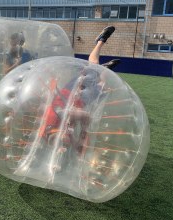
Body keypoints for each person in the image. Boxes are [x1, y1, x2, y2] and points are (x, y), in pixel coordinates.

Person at [39, 25, 117, 155]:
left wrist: (82, 136)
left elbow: (85, 116)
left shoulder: (59, 116)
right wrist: (76, 144)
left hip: (71, 94)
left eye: (65, 143)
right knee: (102, 87)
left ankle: (100, 41)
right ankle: (103, 69)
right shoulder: (52, 135)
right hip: (80, 100)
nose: (68, 143)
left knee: (92, 67)